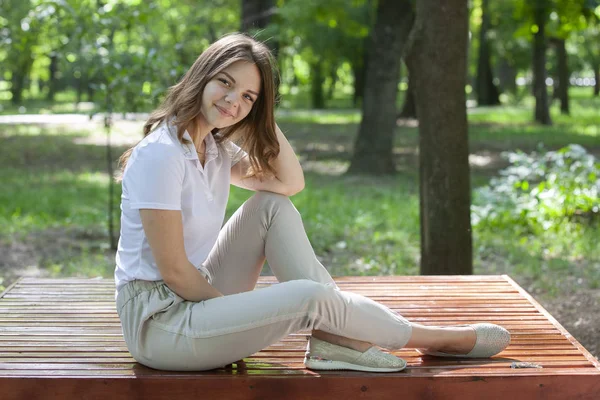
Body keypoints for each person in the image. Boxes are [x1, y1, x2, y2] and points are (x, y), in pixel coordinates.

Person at [114, 32, 510, 373]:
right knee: (309, 297)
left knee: (271, 208)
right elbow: (175, 272)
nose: (233, 100)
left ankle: (333, 339)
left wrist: (261, 118)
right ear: (201, 77)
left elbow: (289, 183)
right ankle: (433, 339)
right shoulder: (162, 154)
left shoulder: (213, 149)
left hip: (193, 296)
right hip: (160, 323)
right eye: (225, 83)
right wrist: (231, 315)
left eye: (248, 96)